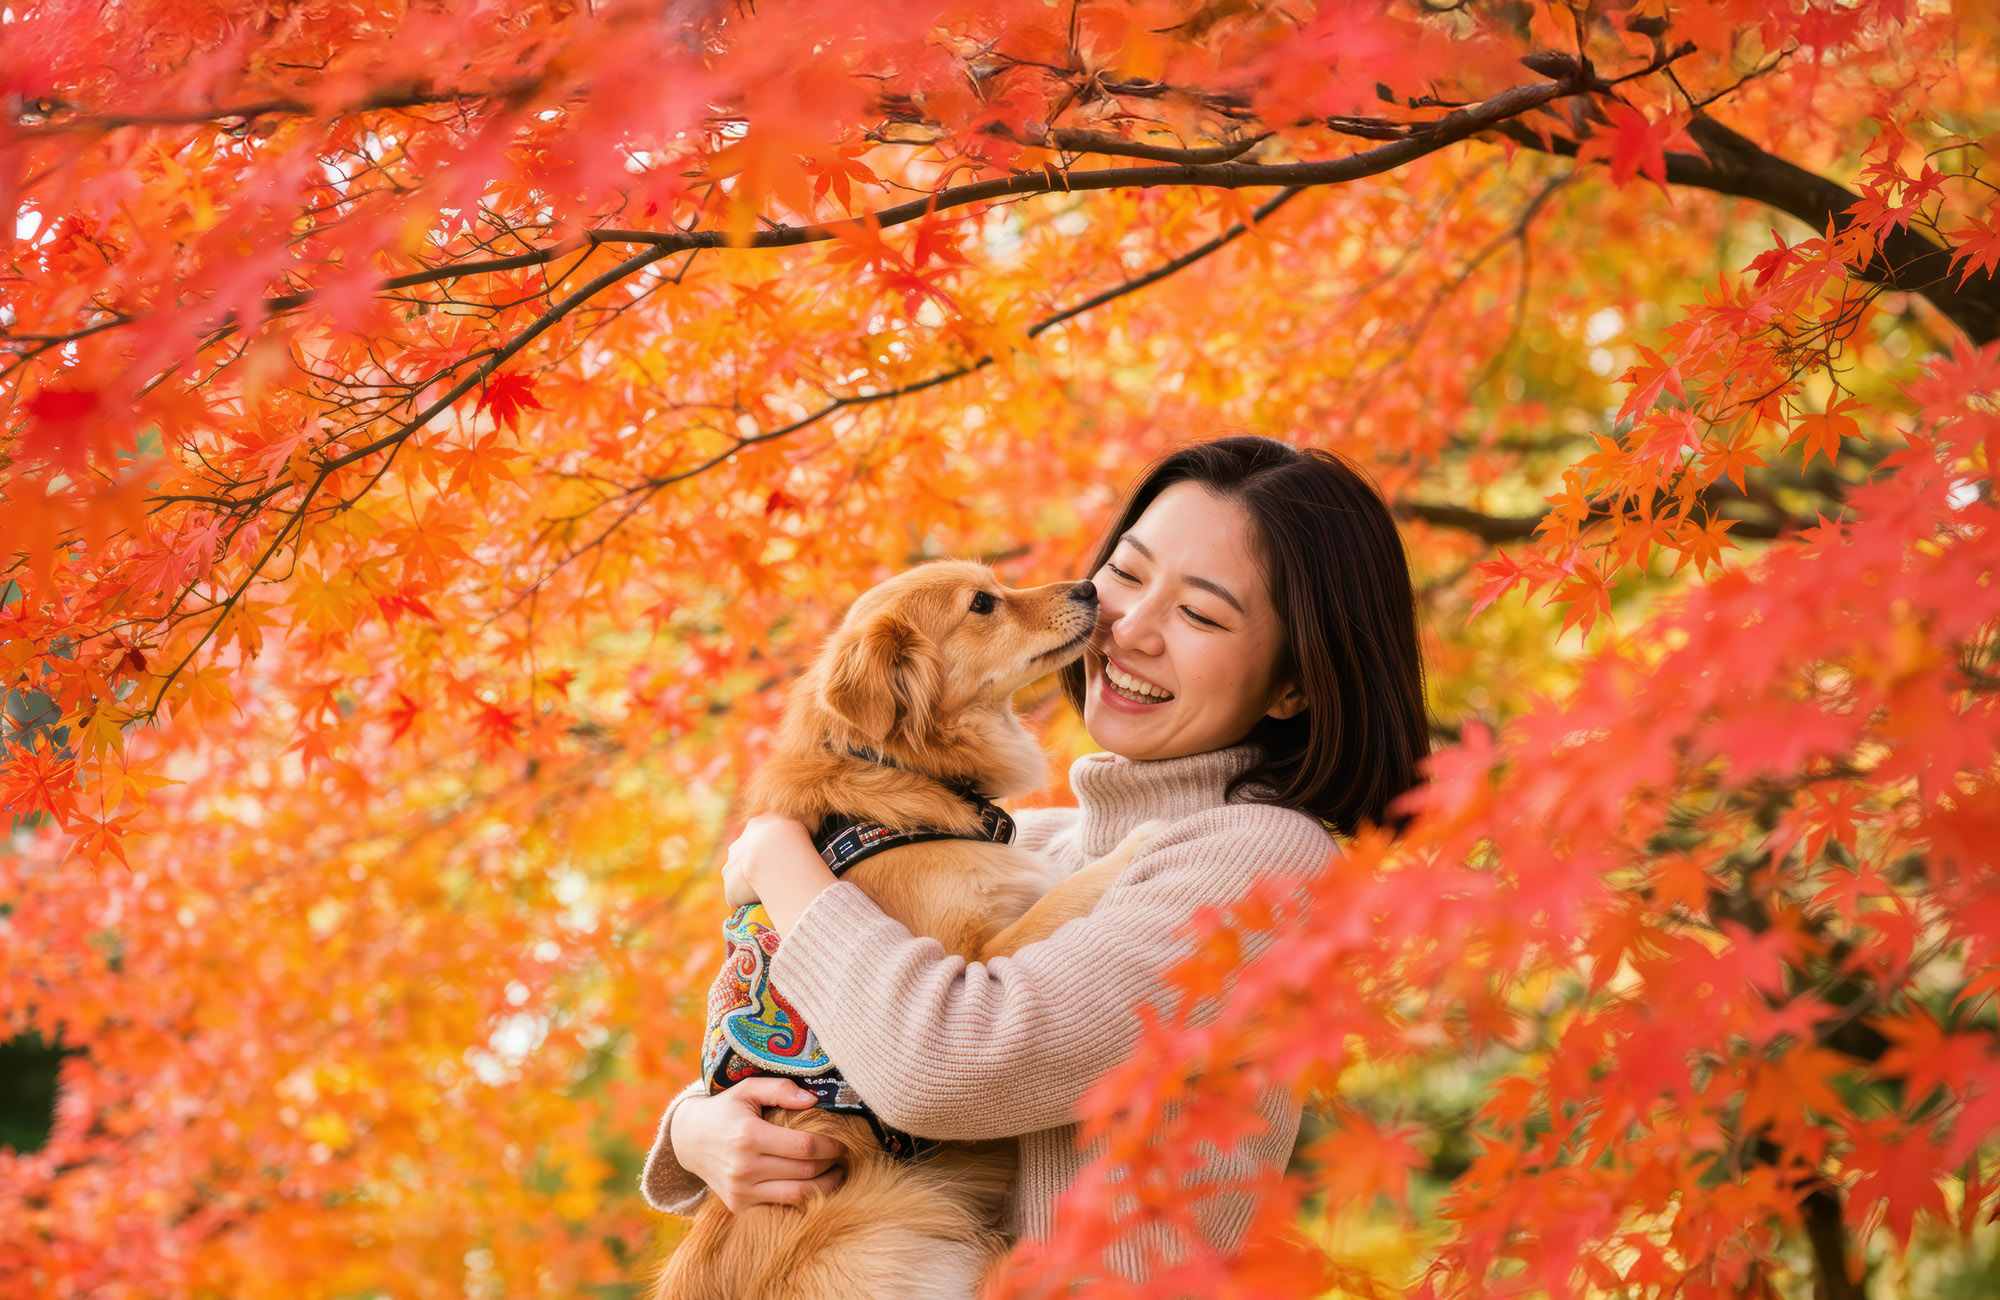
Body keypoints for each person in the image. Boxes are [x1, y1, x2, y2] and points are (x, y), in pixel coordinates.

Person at [639, 435, 1431, 1280]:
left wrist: (775, 854)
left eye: (1199, 613)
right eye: (1125, 574)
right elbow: (819, 1056)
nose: (1127, 624)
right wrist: (699, 1128)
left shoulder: (1260, 858)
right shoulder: (1035, 841)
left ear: (1294, 686)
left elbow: (946, 1065)